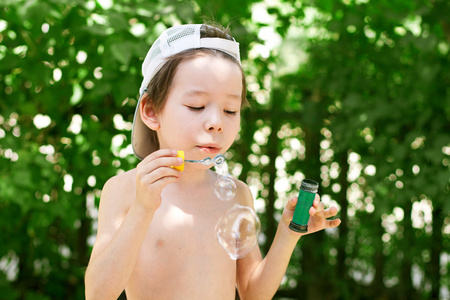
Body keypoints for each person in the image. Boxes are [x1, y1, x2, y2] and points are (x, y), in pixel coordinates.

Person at [84, 23, 341, 300]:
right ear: (151, 111)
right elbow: (98, 295)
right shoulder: (125, 190)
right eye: (196, 106)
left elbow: (254, 293)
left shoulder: (238, 195)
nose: (216, 122)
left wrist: (288, 234)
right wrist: (143, 207)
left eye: (230, 110)